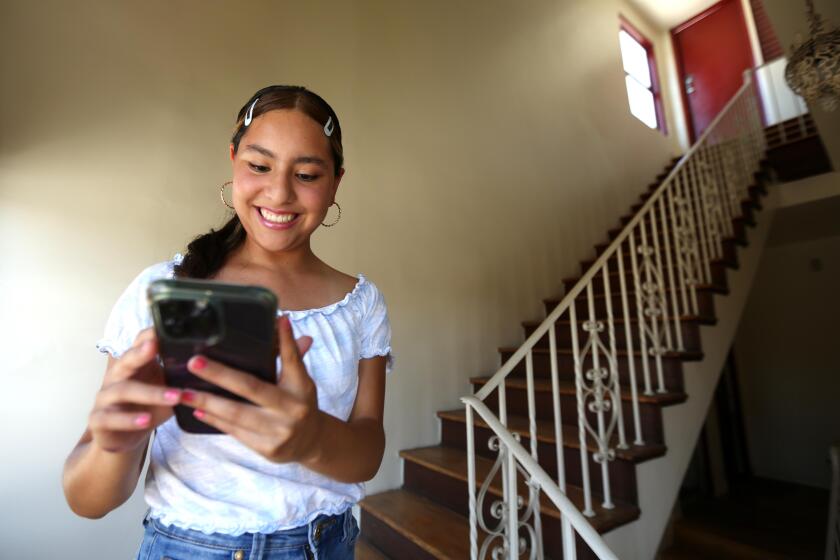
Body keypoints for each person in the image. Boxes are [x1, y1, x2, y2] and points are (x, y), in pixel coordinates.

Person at [62, 85, 394, 560]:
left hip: (323, 547)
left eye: (306, 174)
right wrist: (119, 443)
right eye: (259, 166)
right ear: (234, 159)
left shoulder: (360, 304)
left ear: (336, 181)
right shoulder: (163, 291)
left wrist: (312, 438)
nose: (279, 192)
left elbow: (368, 454)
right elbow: (86, 499)